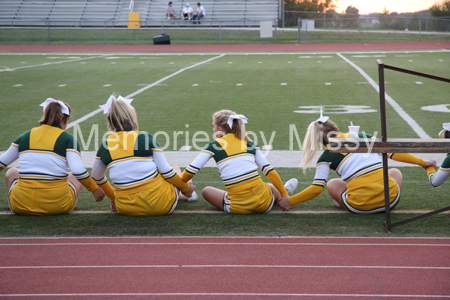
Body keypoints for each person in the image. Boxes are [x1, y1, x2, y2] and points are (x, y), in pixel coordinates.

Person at [277, 114, 436, 214]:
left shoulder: (326, 157)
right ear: (337, 129)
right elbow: (393, 152)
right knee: (395, 172)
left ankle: (344, 200)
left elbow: (317, 188)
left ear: (319, 141)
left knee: (332, 183)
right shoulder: (361, 136)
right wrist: (423, 163)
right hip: (391, 200)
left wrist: (289, 201)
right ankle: (380, 198)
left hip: (360, 206)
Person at [91, 95, 196, 216]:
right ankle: (188, 194)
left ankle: (184, 193)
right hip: (160, 205)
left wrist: (113, 197)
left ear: (110, 121)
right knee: (176, 169)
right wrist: (185, 187)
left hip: (125, 208)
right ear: (132, 117)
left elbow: (97, 177)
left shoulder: (106, 144)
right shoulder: (144, 137)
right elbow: (166, 171)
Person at [180, 110, 298, 214]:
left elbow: (190, 171)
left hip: (237, 208)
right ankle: (285, 191)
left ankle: (282, 191)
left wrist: (185, 187)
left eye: (213, 127)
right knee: (271, 186)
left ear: (220, 130)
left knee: (206, 191)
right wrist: (284, 195)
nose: (213, 130)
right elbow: (270, 172)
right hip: (264, 205)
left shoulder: (213, 145)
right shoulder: (250, 144)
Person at [0, 98, 105, 215]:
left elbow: (1, 163)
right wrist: (94, 189)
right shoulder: (69, 139)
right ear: (66, 119)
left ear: (45, 115)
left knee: (12, 172)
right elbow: (77, 171)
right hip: (58, 206)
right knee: (73, 176)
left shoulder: (25, 136)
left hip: (20, 206)